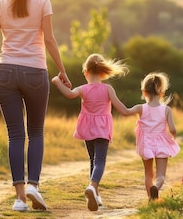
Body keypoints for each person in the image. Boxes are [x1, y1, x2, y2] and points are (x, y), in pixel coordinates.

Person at [0, 0, 71, 212]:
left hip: (6, 73)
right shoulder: (43, 3)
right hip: (35, 73)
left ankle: (20, 199)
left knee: (15, 135)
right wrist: (62, 70)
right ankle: (34, 185)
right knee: (36, 132)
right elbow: (50, 40)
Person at [51, 53, 133, 211]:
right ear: (103, 72)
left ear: (86, 72)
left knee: (92, 160)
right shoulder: (108, 89)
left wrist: (56, 81)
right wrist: (136, 112)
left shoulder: (83, 89)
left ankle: (95, 192)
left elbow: (69, 94)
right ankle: (93, 186)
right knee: (100, 161)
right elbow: (122, 109)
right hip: (102, 129)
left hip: (87, 128)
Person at [129, 72, 180, 201]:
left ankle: (151, 199)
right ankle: (156, 187)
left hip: (146, 144)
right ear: (161, 92)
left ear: (144, 91)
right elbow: (173, 129)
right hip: (162, 143)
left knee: (148, 173)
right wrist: (173, 138)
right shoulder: (166, 109)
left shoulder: (140, 108)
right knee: (161, 175)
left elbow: (125, 111)